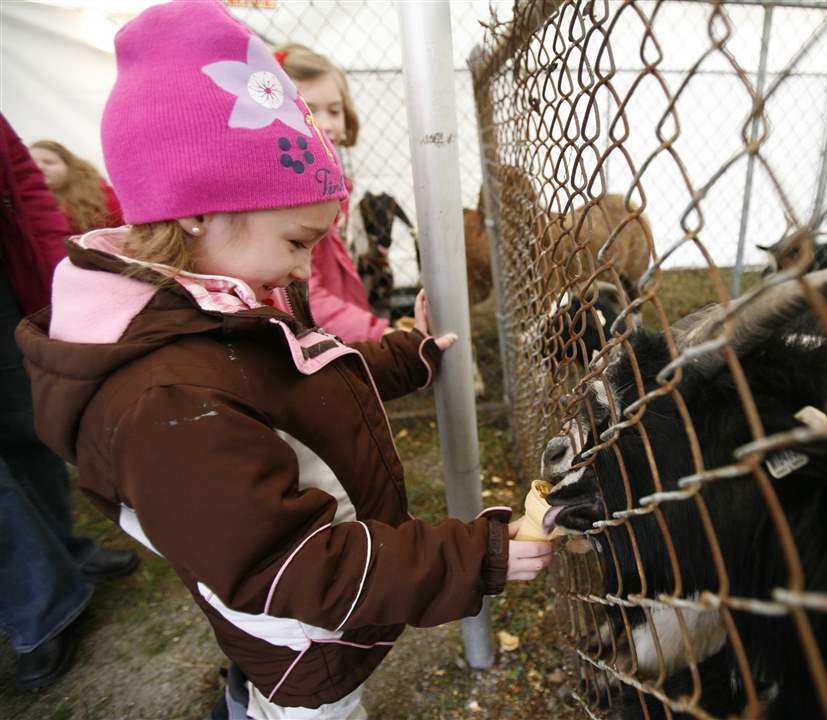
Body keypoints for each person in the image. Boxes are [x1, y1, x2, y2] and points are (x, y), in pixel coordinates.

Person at [14, 4, 552, 719]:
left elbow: (300, 380)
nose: (305, 272)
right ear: (196, 213)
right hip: (306, 635)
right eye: (298, 242)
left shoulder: (218, 305)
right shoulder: (167, 401)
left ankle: (247, 690)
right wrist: (473, 557)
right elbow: (291, 569)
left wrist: (406, 357)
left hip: (299, 612)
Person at [1, 112, 138, 691]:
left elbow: (21, 180)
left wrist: (50, 277)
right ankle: (40, 607)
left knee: (24, 428)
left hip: (10, 290)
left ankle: (64, 550)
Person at [274, 42, 389, 342]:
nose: (325, 124)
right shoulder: (287, 200)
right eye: (308, 109)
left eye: (335, 111)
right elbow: (301, 294)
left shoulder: (332, 187)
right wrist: (377, 334)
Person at [29, 140, 124, 234]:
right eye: (32, 163)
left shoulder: (101, 195)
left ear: (69, 166)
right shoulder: (23, 201)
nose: (39, 167)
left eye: (48, 162)